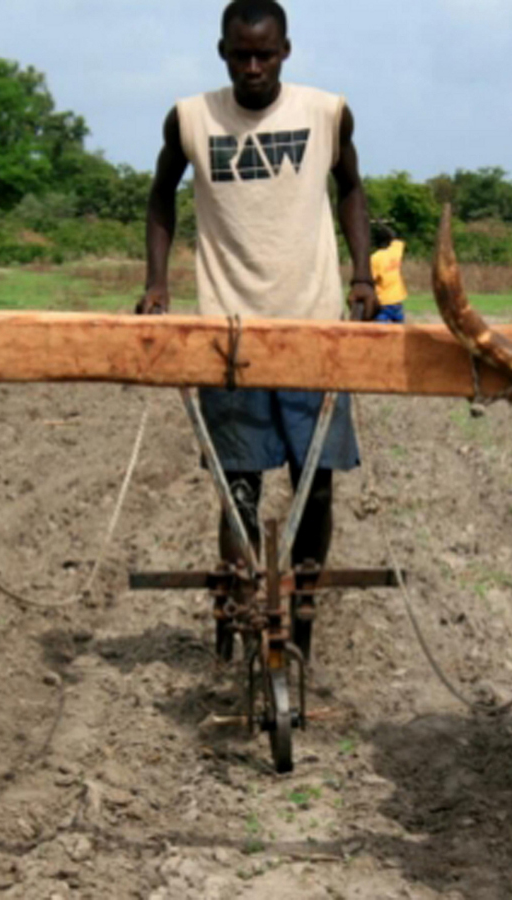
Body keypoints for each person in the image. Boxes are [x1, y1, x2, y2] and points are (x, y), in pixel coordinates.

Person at [139, 0, 379, 658]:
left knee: (315, 479)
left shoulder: (326, 113)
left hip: (313, 328)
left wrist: (363, 274)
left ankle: (301, 609)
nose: (252, 66)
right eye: (240, 54)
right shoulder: (190, 118)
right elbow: (161, 195)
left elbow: (350, 188)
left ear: (285, 52)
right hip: (227, 330)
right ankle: (241, 602)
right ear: (221, 52)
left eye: (264, 54)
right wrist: (157, 282)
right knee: (237, 483)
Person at [370, 222, 407, 323]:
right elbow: (397, 239)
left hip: (383, 302)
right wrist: (382, 225)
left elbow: (372, 279)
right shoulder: (395, 251)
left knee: (380, 331)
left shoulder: (375, 258)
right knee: (399, 330)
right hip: (398, 299)